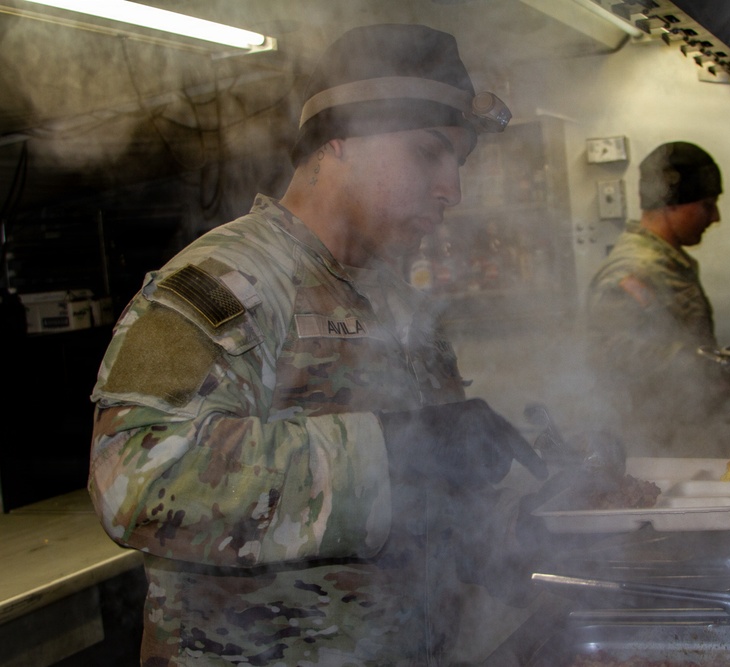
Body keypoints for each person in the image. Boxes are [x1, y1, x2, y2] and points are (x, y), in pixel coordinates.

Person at [88, 23, 548, 666]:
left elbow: (425, 501)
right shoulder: (225, 282)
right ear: (340, 142)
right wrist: (391, 455)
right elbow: (137, 474)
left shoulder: (398, 302)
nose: (453, 191)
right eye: (428, 153)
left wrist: (517, 532)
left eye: (459, 162)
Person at [585, 141, 730, 456]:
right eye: (707, 204)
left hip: (684, 436)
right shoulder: (635, 269)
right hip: (656, 448)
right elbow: (610, 352)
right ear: (673, 203)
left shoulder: (665, 261)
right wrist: (702, 366)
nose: (715, 216)